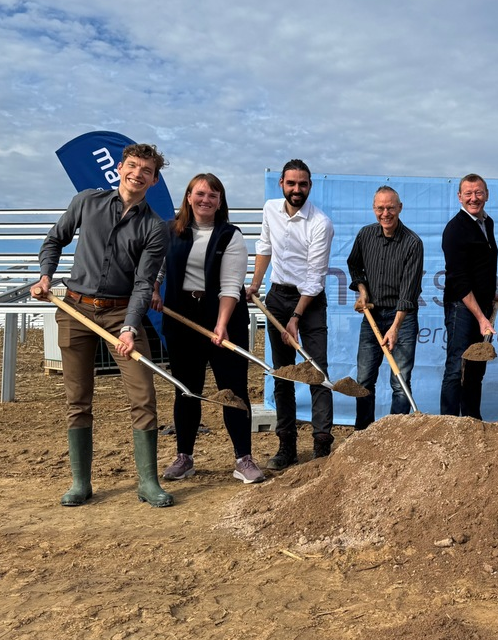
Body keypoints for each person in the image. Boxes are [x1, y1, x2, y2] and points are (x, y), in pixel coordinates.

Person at [31, 143, 173, 507]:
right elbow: (55, 239)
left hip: (120, 313)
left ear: (154, 180)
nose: (137, 174)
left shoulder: (154, 227)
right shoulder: (86, 202)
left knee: (143, 396)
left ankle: (148, 482)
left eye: (146, 171)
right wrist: (45, 276)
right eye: (132, 166)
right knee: (78, 399)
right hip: (75, 310)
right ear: (120, 169)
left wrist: (129, 326)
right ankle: (81, 483)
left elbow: (144, 283)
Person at [151, 173, 264, 484]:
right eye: (200, 193)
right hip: (181, 317)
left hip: (224, 317)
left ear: (220, 202)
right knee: (187, 390)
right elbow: (158, 266)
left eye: (213, 195)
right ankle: (184, 457)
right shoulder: (170, 231)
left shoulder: (231, 235)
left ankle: (243, 458)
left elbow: (231, 285)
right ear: (188, 197)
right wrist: (155, 288)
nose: (206, 200)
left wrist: (221, 324)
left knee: (233, 391)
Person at [246, 159, 335, 469]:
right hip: (277, 297)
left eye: (303, 184)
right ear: (282, 184)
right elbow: (264, 246)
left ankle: (322, 447)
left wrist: (295, 318)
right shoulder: (271, 209)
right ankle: (287, 449)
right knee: (282, 375)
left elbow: (315, 277)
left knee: (316, 373)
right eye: (291, 183)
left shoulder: (320, 223)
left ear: (310, 186)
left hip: (309, 303)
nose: (297, 189)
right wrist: (255, 284)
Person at [347, 186, 424, 429]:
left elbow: (409, 291)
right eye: (380, 208)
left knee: (399, 380)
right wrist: (362, 290)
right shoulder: (365, 235)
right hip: (372, 314)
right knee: (364, 380)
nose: (385, 213)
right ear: (374, 209)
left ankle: (394, 435)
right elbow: (354, 265)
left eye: (390, 207)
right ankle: (362, 434)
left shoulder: (413, 243)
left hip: (403, 317)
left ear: (400, 208)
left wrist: (395, 327)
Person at [440, 173, 498, 419]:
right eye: (468, 193)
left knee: (477, 367)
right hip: (461, 308)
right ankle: (447, 424)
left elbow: (480, 267)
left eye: (478, 192)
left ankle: (471, 422)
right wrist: (480, 317)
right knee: (458, 367)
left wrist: (492, 294)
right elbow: (459, 280)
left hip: (482, 306)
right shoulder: (455, 229)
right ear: (459, 197)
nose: (473, 198)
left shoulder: (487, 223)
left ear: (487, 195)